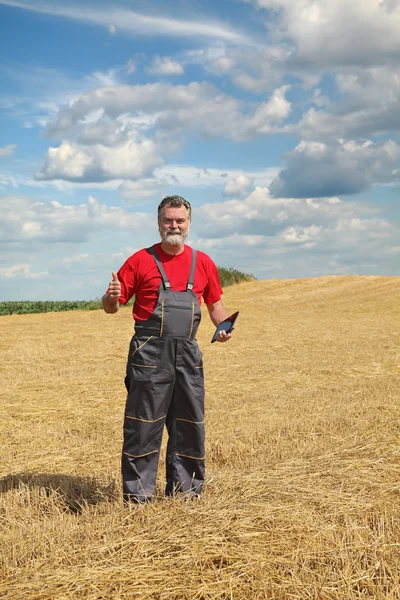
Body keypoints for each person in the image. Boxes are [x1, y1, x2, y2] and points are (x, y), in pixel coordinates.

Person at [102, 195, 233, 503]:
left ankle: (186, 494)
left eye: (180, 220)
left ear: (189, 224)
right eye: (167, 220)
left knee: (189, 425)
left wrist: (224, 325)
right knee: (143, 426)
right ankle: (138, 498)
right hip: (148, 356)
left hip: (188, 356)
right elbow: (111, 307)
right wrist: (110, 296)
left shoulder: (203, 262)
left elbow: (214, 304)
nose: (173, 225)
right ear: (158, 223)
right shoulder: (139, 260)